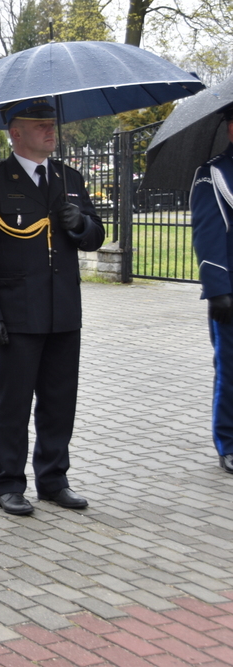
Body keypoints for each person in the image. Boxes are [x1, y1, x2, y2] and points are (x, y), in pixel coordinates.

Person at [0, 99, 106, 516]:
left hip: (64, 310)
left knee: (60, 400)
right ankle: (9, 483)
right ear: (16, 133)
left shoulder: (69, 178)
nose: (50, 130)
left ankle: (54, 479)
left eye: (51, 124)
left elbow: (96, 236)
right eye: (40, 125)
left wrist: (80, 224)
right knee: (14, 403)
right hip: (17, 314)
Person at [190, 106, 233, 474]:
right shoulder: (214, 173)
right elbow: (207, 233)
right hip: (230, 293)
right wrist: (218, 288)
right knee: (231, 370)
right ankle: (229, 441)